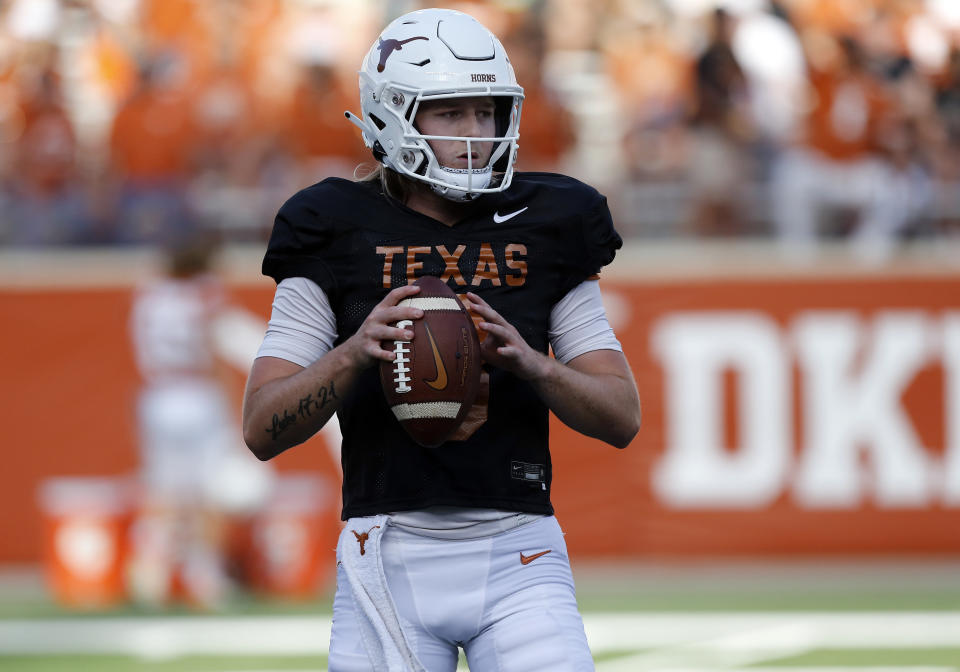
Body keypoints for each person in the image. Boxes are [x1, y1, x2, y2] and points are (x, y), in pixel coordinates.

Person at [242, 8, 641, 671]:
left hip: (520, 550)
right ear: (390, 114)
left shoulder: (549, 220)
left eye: (486, 113)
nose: (476, 134)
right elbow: (262, 426)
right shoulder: (331, 224)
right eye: (450, 113)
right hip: (385, 549)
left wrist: (531, 364)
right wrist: (354, 351)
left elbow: (621, 416)